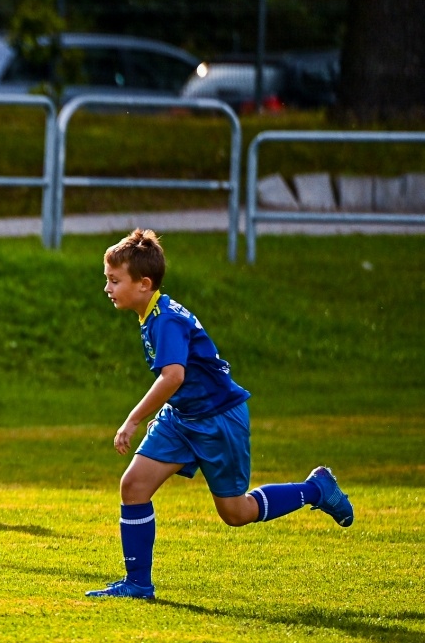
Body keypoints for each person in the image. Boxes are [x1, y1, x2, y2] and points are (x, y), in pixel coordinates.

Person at [89, 229, 353, 600]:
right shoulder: (152, 314)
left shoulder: (165, 320)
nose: (108, 288)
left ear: (144, 284)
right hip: (183, 417)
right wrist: (168, 408)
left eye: (115, 281)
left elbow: (174, 375)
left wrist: (132, 418)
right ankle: (138, 584)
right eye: (107, 280)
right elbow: (185, 377)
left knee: (235, 512)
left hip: (218, 419)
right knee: (133, 486)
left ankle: (316, 489)